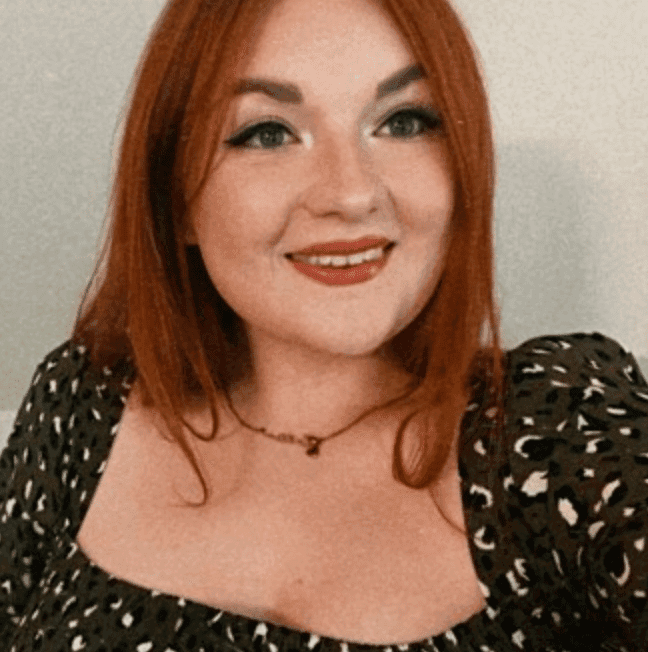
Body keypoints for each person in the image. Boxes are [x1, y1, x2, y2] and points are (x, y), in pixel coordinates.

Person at [1, 0, 646, 649]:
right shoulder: (82, 404)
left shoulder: (557, 430)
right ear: (177, 202)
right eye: (268, 133)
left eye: (403, 121)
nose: (351, 193)